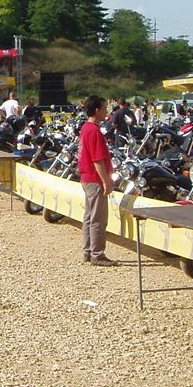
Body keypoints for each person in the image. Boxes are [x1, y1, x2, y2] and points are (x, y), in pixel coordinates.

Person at [79, 95, 117, 266]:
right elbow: (98, 160)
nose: (106, 111)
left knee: (89, 216)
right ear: (97, 110)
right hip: (94, 179)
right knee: (98, 219)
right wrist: (106, 181)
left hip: (87, 178)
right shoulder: (94, 131)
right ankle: (97, 254)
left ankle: (88, 251)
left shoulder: (86, 128)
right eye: (104, 108)